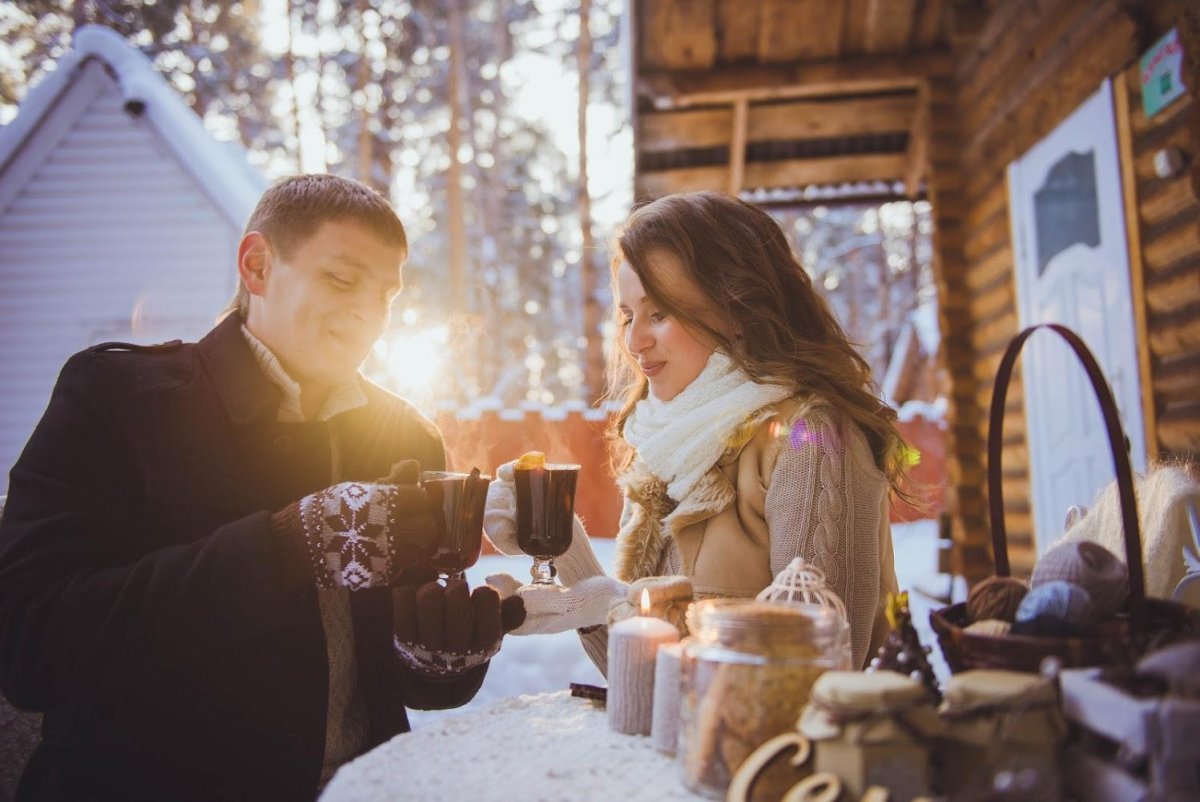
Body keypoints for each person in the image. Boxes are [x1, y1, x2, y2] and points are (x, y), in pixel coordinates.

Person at [0, 174, 519, 801]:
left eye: (386, 294)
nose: (368, 313)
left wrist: (437, 655)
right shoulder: (118, 400)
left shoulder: (404, 436)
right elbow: (30, 646)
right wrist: (285, 549)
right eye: (341, 278)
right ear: (257, 265)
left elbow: (391, 681)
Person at [485, 191, 904, 671]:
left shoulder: (814, 438)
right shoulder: (665, 445)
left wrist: (612, 601)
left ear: (736, 308)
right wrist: (567, 557)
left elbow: (818, 671)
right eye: (627, 316)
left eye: (659, 312)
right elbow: (639, 683)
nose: (634, 341)